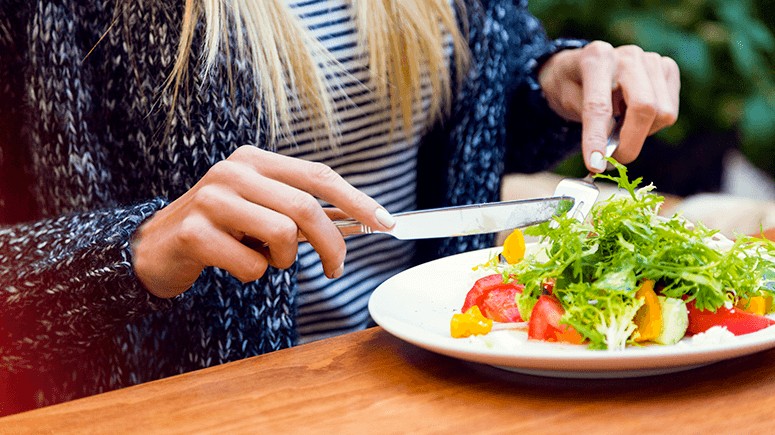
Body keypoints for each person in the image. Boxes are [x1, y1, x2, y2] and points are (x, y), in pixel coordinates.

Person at [0, 0, 680, 413]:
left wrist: (550, 83)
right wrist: (134, 250)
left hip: (449, 390)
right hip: (213, 412)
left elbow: (468, 115)